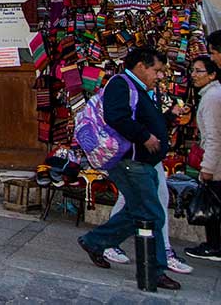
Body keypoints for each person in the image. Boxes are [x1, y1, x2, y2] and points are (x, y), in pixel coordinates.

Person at [77, 48, 181, 291]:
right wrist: (144, 136)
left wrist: (167, 120)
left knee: (137, 211)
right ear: (141, 66)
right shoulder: (121, 84)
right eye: (156, 70)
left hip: (141, 162)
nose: (159, 76)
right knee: (152, 213)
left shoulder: (139, 89)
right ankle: (154, 271)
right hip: (129, 162)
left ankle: (94, 241)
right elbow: (117, 116)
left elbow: (140, 118)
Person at [184, 56, 221, 262]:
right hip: (216, 162)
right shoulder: (212, 95)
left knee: (212, 206)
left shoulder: (213, 98)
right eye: (193, 70)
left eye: (199, 71)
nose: (194, 75)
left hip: (216, 165)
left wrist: (207, 167)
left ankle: (214, 246)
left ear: (212, 74)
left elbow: (214, 136)